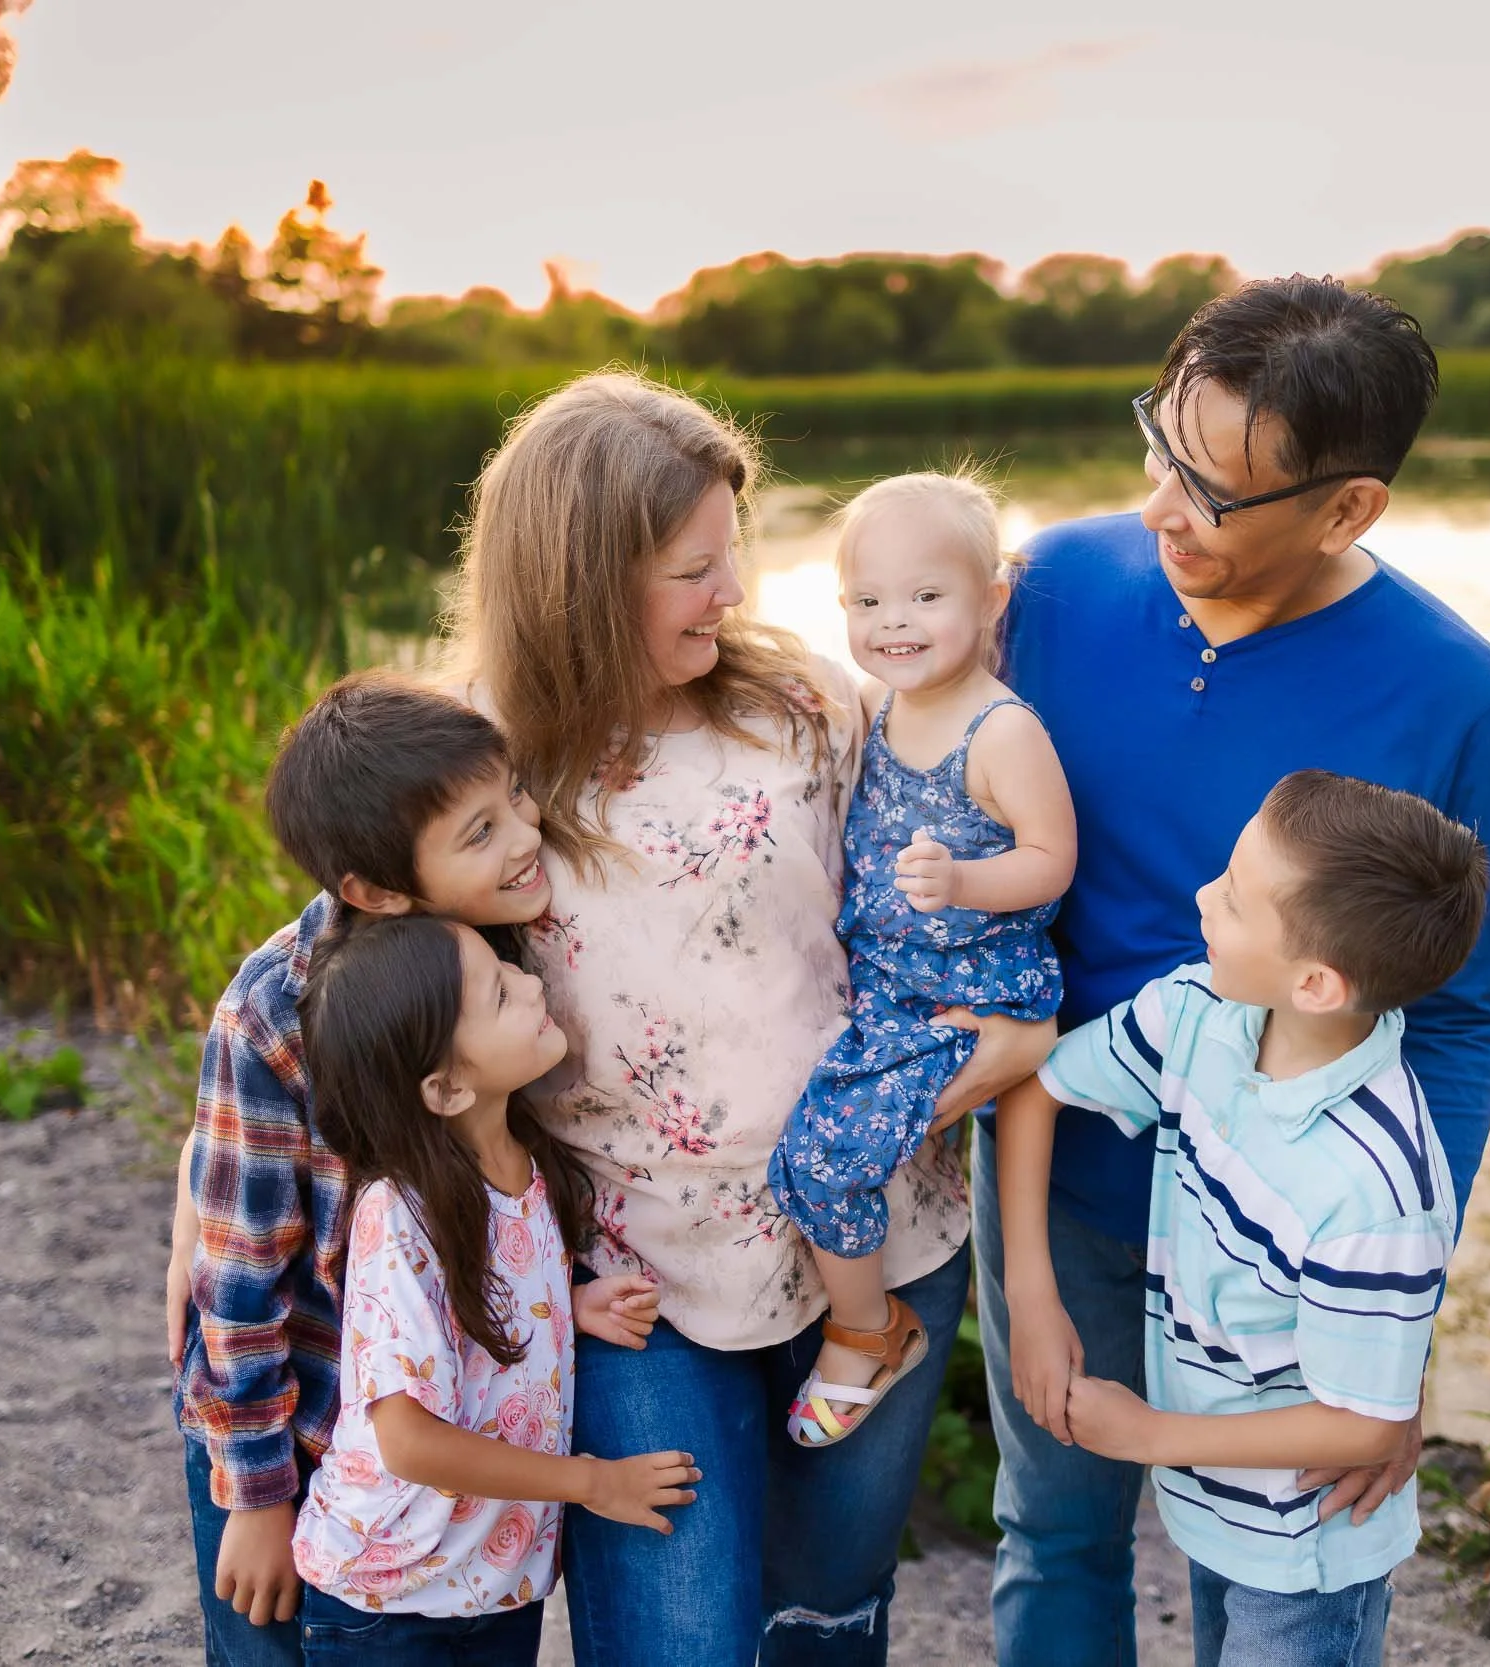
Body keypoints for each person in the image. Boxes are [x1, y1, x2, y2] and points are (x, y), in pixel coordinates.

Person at [450, 371, 1054, 1666]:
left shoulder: (809, 706)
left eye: (734, 558)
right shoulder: (487, 768)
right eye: (692, 569)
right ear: (578, 580)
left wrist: (999, 1046)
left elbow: (946, 885)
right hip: (636, 1275)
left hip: (879, 1237)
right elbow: (403, 1017)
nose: (731, 596)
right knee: (683, 1643)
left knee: (829, 1616)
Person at [978, 275, 1490, 1665]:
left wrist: (1389, 1331)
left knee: (1275, 1579)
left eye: (1212, 491)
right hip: (1067, 1180)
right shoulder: (1051, 589)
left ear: (1347, 509)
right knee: (1052, 1533)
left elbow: (1459, 1023)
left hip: (1288, 1240)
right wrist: (1028, 1275)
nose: (1163, 507)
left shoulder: (1453, 693)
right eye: (1159, 447)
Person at [1001, 771, 1490, 1667]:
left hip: (1307, 1550)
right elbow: (1038, 1092)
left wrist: (1151, 1435)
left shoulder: (1378, 1189)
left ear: (1314, 982)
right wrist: (1032, 1296)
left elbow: (1367, 1429)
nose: (1200, 896)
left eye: (1231, 895)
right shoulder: (1203, 1014)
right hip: (1216, 1506)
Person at [171, 676, 561, 1666]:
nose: (525, 833)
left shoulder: (500, 953)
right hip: (291, 1417)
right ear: (378, 891)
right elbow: (237, 1275)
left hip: (434, 1445)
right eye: (479, 830)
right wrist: (255, 1495)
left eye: (514, 796)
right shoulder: (273, 1014)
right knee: (261, 1633)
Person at [288, 911, 693, 1664]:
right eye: (502, 994)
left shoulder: (525, 1168)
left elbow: (475, 1315)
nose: (534, 984)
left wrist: (565, 1309)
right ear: (444, 1087)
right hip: (389, 1599)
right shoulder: (401, 1215)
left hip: (496, 1584)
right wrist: (593, 1483)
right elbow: (407, 1440)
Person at [768, 473, 1074, 1449]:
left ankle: (866, 1331)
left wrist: (969, 883)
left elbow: (1050, 856)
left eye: (924, 596)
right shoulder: (880, 703)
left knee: (818, 1162)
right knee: (822, 1149)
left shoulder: (1002, 727)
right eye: (866, 601)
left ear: (990, 600)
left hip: (965, 998)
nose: (892, 621)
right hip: (899, 994)